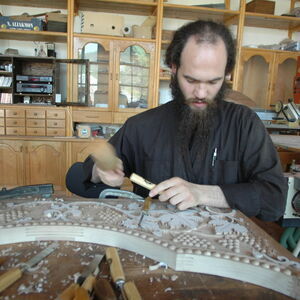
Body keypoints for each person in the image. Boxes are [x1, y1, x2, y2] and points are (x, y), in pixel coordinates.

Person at [66, 20, 287, 221]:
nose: (201, 92)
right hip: (153, 244)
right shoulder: (141, 126)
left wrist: (203, 193)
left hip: (225, 250)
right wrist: (99, 172)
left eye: (213, 82)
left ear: (227, 74)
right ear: (173, 68)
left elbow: (274, 200)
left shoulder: (244, 124)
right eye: (191, 80)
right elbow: (77, 179)